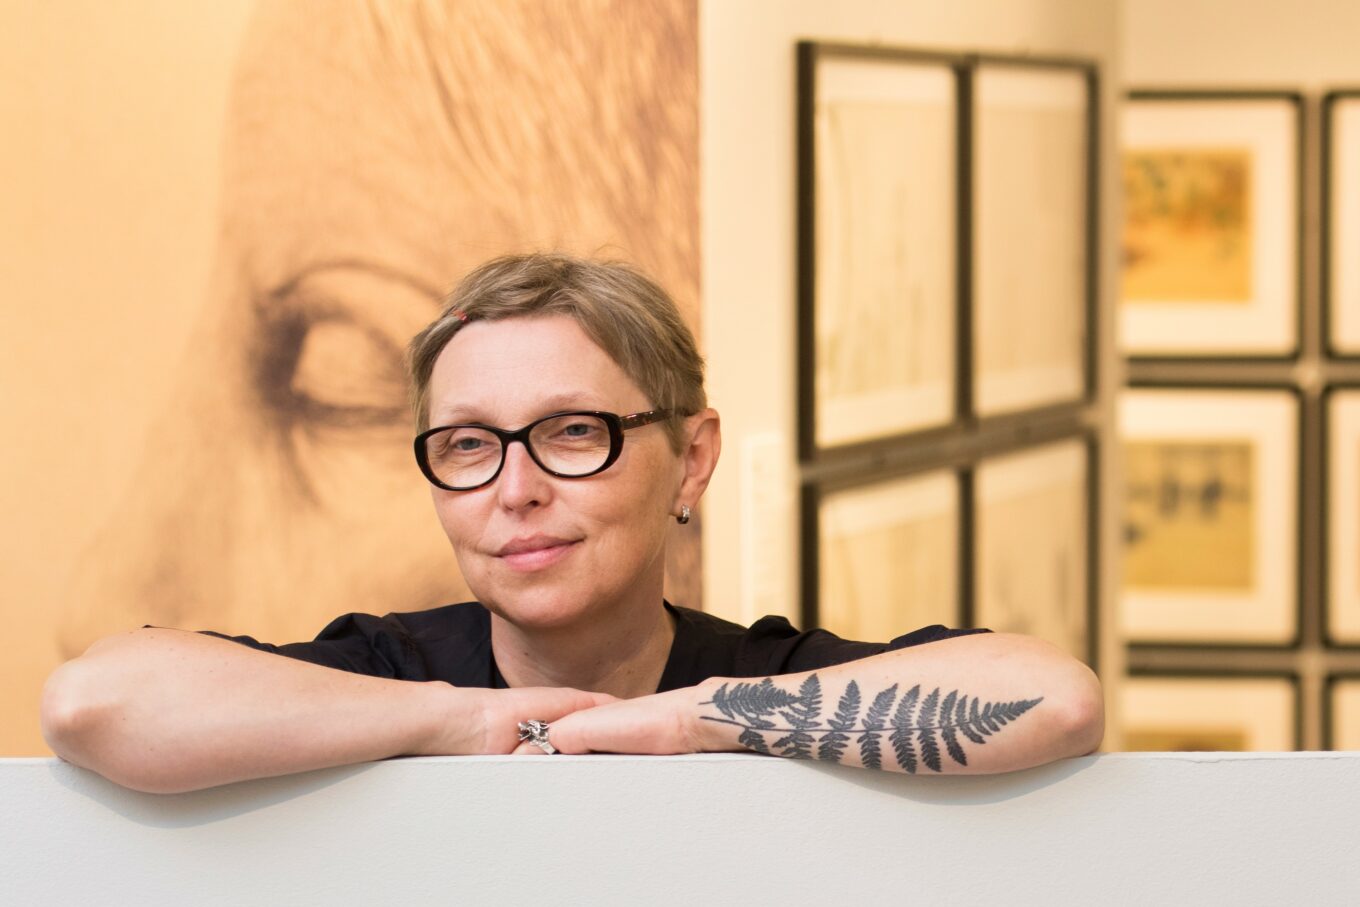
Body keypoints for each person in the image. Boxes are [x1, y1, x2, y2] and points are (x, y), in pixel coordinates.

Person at [42, 253, 1104, 793]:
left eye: (572, 432)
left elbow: (1051, 701)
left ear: (691, 457)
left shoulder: (760, 679)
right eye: (468, 444)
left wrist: (692, 722)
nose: (515, 488)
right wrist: (457, 725)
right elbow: (95, 703)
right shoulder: (389, 675)